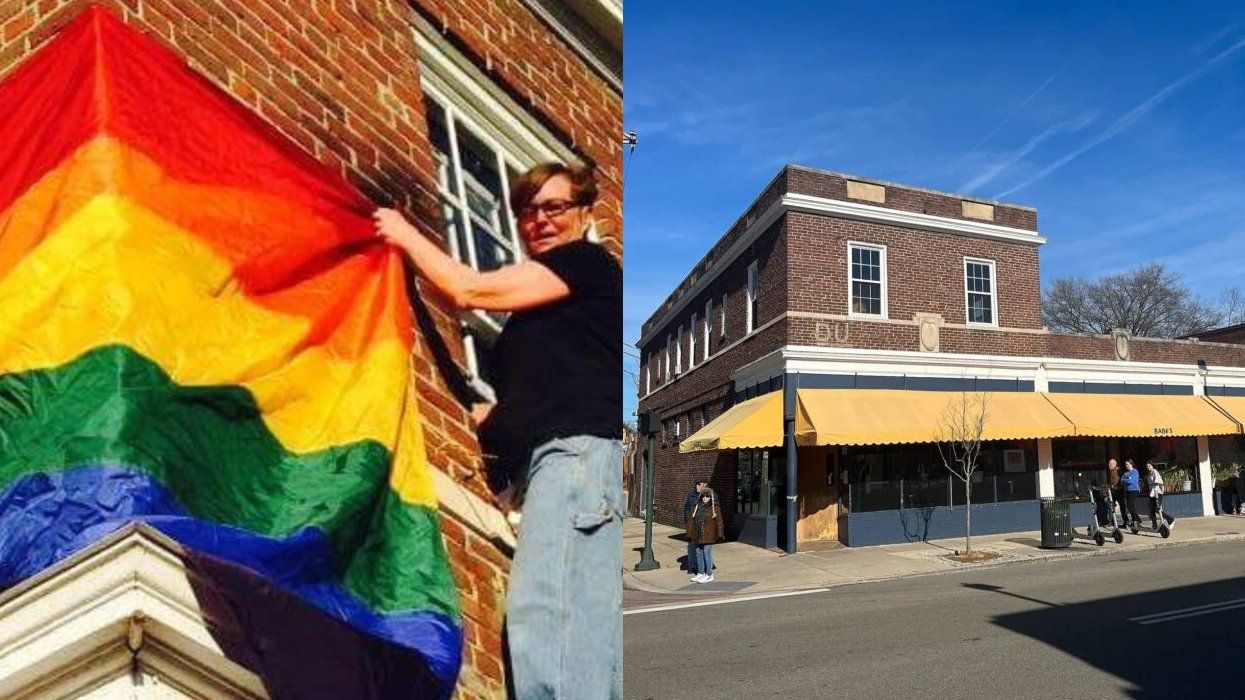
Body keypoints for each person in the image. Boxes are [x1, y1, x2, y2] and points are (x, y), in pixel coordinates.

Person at [375, 162, 622, 699]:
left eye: (555, 207)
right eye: (528, 212)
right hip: (558, 468)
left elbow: (467, 291)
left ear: (584, 214)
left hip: (574, 461)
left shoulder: (587, 264)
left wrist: (400, 231)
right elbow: (534, 397)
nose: (540, 220)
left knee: (549, 615)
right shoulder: (546, 324)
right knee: (584, 635)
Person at [686, 487, 724, 583]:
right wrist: (689, 533)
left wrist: (720, 534)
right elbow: (691, 521)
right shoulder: (696, 507)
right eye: (703, 496)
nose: (705, 498)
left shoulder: (714, 508)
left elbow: (719, 522)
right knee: (698, 553)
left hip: (709, 534)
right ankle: (701, 572)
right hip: (698, 534)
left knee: (707, 553)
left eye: (707, 496)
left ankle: (709, 574)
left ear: (711, 497)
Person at [684, 479, 709, 577]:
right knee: (691, 546)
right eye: (697, 484)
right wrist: (687, 522)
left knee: (704, 548)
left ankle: (704, 568)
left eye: (700, 484)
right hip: (693, 525)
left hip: (704, 526)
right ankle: (692, 566)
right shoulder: (691, 496)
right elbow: (686, 509)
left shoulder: (708, 496)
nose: (698, 486)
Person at [1146, 462, 1175, 530]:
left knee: (1157, 509)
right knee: (1151, 509)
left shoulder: (1156, 473)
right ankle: (1154, 525)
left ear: (1152, 466)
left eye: (1149, 466)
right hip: (1152, 494)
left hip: (1158, 493)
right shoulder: (1150, 474)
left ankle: (1170, 520)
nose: (1148, 467)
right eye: (1147, 466)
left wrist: (1155, 483)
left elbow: (1159, 481)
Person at [1120, 459, 1142, 528]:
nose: (1127, 466)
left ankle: (1138, 519)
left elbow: (1131, 481)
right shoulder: (1125, 473)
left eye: (1128, 464)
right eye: (1126, 464)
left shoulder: (1135, 471)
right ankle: (1135, 521)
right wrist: (1127, 479)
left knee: (1130, 506)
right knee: (1130, 507)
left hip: (1134, 490)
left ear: (1131, 464)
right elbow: (1121, 481)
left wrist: (1126, 480)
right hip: (1128, 491)